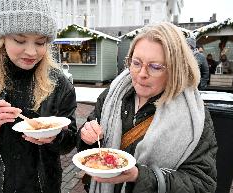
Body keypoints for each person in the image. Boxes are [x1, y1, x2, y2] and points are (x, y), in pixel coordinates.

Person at [77, 22, 217, 193]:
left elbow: (202, 183)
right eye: (136, 63)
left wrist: (140, 177)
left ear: (175, 69)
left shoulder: (194, 115)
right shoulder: (113, 95)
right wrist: (86, 137)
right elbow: (90, 145)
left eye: (155, 66)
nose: (142, 73)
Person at [0, 0, 77, 192]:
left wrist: (55, 137)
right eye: (20, 40)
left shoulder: (59, 81)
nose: (31, 52)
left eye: (40, 42)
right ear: (1, 36)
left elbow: (69, 142)